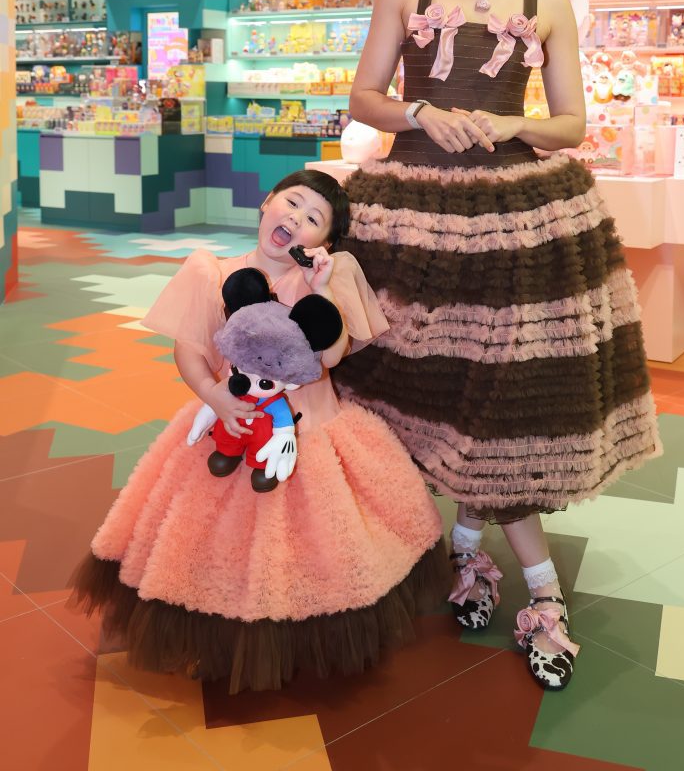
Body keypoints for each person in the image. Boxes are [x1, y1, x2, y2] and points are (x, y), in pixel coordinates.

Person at [334, 0, 661, 692]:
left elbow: (571, 122)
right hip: (412, 212)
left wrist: (517, 125)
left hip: (516, 220)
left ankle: (525, 581)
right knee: (415, 389)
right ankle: (462, 550)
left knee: (501, 397)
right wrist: (417, 113)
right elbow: (363, 96)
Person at [71, 169, 448, 693]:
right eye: (292, 202)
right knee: (213, 542)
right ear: (267, 202)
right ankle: (215, 632)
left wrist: (320, 292)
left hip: (308, 432)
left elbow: (330, 358)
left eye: (314, 219)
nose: (296, 217)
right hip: (234, 423)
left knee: (309, 545)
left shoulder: (328, 279)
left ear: (323, 243)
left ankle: (305, 631)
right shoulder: (214, 273)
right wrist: (213, 396)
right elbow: (189, 349)